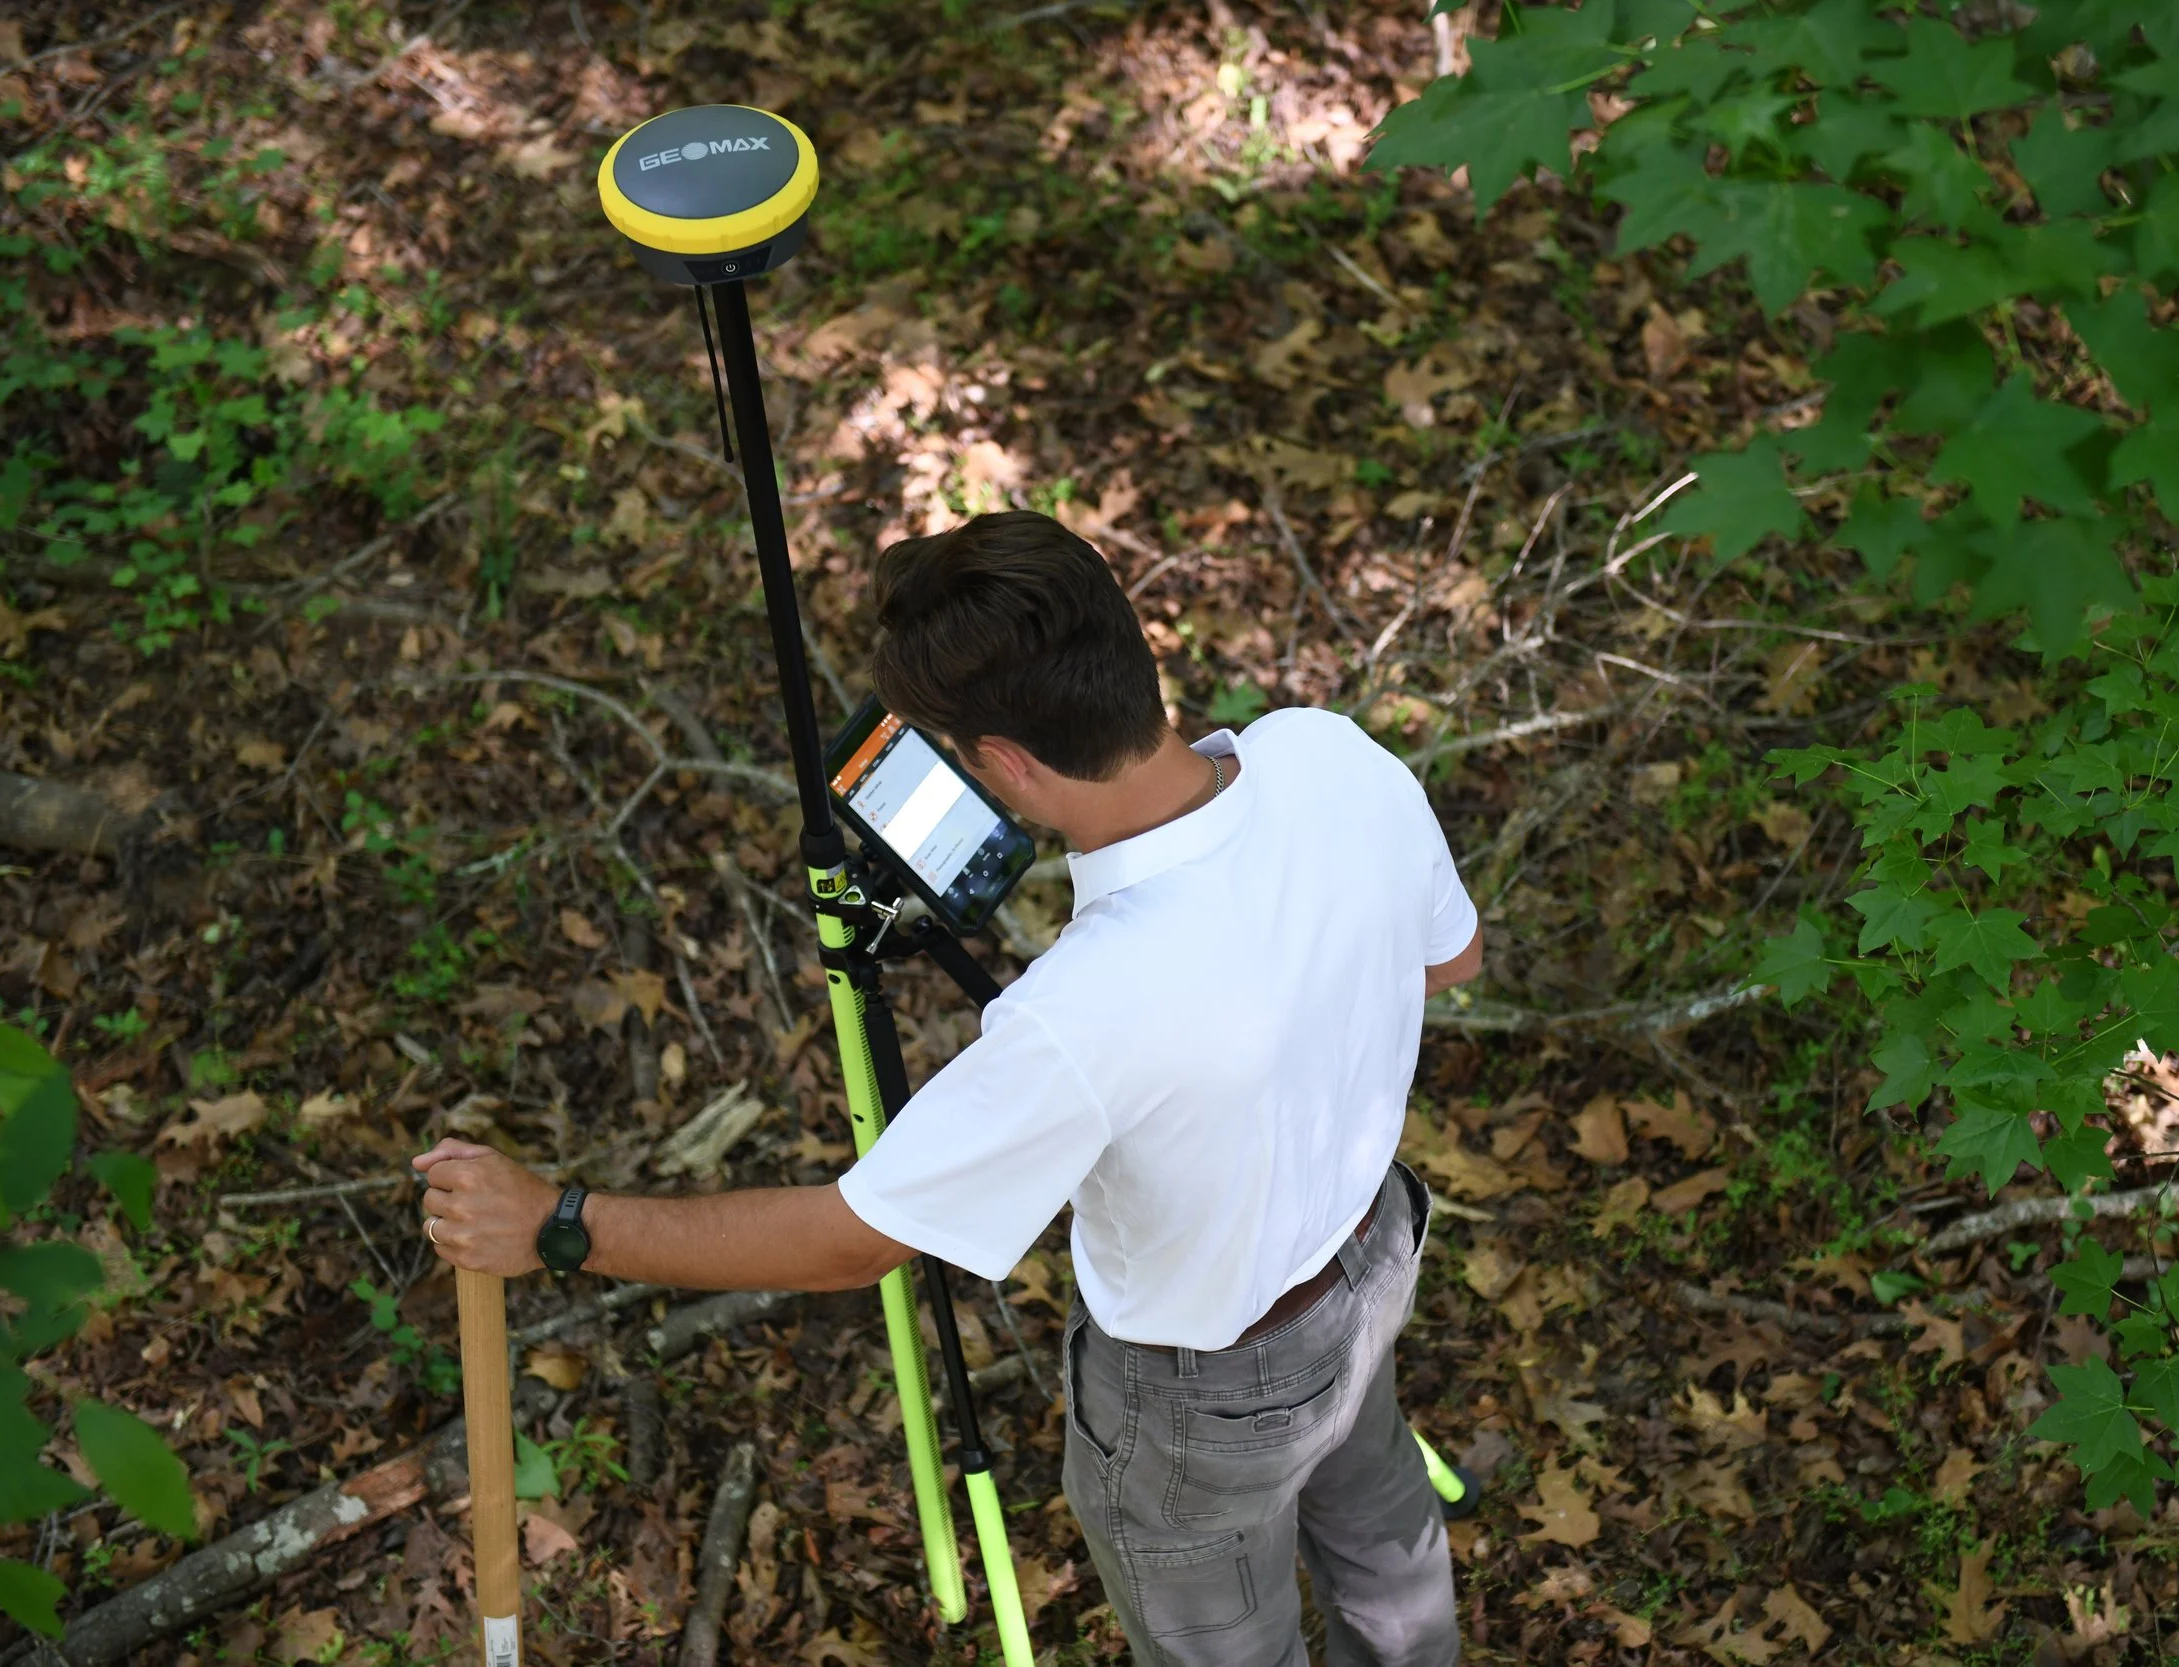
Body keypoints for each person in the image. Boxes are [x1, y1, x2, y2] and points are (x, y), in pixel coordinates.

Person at [415, 509, 1481, 1667]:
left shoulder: (1080, 1012)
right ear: (1131, 653)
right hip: (1372, 1257)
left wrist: (559, 1224)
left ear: (1007, 765)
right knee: (1382, 1536)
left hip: (1204, 1393)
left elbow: (848, 1241)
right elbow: (1450, 960)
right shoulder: (1327, 752)